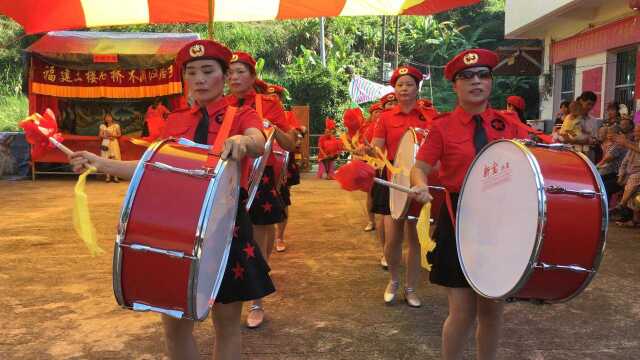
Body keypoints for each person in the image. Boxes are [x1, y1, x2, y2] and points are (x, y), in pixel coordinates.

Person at [69, 40, 274, 360]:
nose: (200, 79)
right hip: (176, 228)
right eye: (191, 73)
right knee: (174, 326)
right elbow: (148, 167)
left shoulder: (241, 114)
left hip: (227, 229)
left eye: (208, 71)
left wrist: (242, 140)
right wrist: (100, 163)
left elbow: (259, 141)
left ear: (224, 76)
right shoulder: (175, 121)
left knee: (227, 325)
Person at [410, 48, 544, 360]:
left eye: (483, 75)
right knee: (462, 313)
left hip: (501, 222)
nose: (476, 81)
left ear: (491, 82)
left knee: (493, 311)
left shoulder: (509, 124)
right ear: (455, 86)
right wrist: (419, 186)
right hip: (460, 219)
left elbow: (537, 157)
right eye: (466, 76)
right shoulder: (442, 128)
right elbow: (420, 168)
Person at [226, 51, 296, 329]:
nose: (234, 77)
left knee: (256, 244)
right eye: (230, 71)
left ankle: (256, 302)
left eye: (240, 71)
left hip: (261, 178)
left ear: (253, 77)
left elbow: (290, 143)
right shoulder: (219, 105)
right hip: (228, 178)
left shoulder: (269, 103)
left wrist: (271, 129)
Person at [366, 64, 438, 308]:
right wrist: (367, 151)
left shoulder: (430, 116)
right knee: (393, 239)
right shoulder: (386, 118)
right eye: (400, 84)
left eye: (409, 84)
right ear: (394, 89)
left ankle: (411, 288)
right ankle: (394, 281)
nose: (404, 88)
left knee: (415, 239)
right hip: (395, 184)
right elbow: (377, 147)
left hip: (419, 185)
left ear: (417, 88)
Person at [98, 113, 121, 183]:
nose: (108, 118)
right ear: (105, 119)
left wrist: (113, 135)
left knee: (115, 159)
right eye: (106, 117)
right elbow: (100, 135)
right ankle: (108, 177)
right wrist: (107, 137)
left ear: (112, 118)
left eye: (109, 117)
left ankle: (116, 177)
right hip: (105, 143)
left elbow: (119, 134)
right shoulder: (102, 126)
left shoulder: (116, 126)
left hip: (114, 142)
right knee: (106, 159)